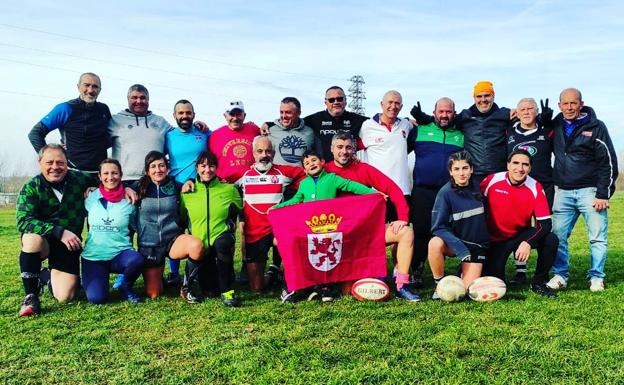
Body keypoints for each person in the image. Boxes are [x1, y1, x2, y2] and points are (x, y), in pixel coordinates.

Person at [324, 131, 421, 301]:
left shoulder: (363, 168)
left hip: (367, 232)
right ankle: (325, 284)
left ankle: (401, 285)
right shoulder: (324, 172)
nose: (344, 151)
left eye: (349, 147)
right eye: (339, 147)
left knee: (406, 232)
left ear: (354, 150)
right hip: (340, 237)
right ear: (332, 149)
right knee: (347, 291)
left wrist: (403, 218)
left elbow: (393, 189)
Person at [273, 149, 378, 303]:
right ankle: (309, 285)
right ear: (305, 169)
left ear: (322, 162)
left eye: (314, 160)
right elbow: (296, 200)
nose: (311, 164)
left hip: (330, 226)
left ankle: (326, 287)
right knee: (309, 254)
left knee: (328, 255)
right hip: (310, 227)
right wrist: (277, 208)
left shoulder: (332, 178)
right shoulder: (304, 184)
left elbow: (352, 186)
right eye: (307, 163)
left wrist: (373, 194)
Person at [547, 88, 618, 292]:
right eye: (565, 103)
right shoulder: (556, 124)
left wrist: (603, 193)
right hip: (563, 191)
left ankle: (596, 277)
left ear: (581, 104)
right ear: (559, 105)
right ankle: (560, 275)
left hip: (590, 191)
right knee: (557, 236)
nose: (569, 107)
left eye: (573, 103)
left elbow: (608, 162)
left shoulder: (596, 126)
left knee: (597, 237)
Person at [16, 144, 98, 316]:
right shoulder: (32, 186)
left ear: (67, 163)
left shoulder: (80, 179)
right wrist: (59, 231)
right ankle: (31, 295)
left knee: (66, 296)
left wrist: (104, 187)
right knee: (31, 239)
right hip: (44, 242)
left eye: (60, 162)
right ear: (40, 163)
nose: (55, 167)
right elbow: (24, 222)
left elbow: (108, 180)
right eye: (49, 162)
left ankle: (45, 277)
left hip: (68, 246)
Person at [481, 149, 558, 298]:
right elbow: (477, 210)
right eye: (515, 163)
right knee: (497, 284)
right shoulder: (491, 181)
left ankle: (539, 283)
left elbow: (545, 224)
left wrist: (528, 242)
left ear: (530, 168)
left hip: (518, 235)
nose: (520, 168)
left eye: (525, 164)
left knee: (551, 239)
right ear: (508, 164)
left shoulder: (535, 187)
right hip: (495, 240)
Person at [234, 136, 305, 292]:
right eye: (260, 151)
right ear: (253, 153)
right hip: (254, 231)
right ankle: (272, 275)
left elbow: (308, 176)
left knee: (289, 244)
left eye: (268, 151)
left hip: (277, 227)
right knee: (256, 289)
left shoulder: (284, 171)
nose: (264, 155)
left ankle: (291, 281)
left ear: (273, 153)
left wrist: (299, 195)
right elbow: (220, 182)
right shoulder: (243, 174)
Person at [133, 151, 205, 302]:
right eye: (153, 166)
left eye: (161, 165)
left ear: (167, 168)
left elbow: (198, 186)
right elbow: (114, 190)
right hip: (149, 245)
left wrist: (191, 180)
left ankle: (186, 287)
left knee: (196, 245)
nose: (158, 170)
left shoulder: (175, 185)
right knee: (154, 294)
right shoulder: (138, 187)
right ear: (147, 170)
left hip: (172, 240)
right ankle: (161, 280)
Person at [407, 97, 463, 287]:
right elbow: (396, 148)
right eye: (441, 111)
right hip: (423, 190)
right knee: (421, 231)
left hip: (451, 192)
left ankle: (459, 267)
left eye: (448, 111)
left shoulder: (461, 133)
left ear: (454, 113)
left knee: (449, 231)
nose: (445, 115)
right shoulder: (419, 130)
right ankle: (417, 270)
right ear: (434, 112)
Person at [411, 81, 510, 185]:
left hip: (498, 174)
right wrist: (422, 117)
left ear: (493, 96)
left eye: (487, 95)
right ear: (474, 98)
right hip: (473, 175)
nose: (483, 99)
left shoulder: (504, 115)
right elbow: (444, 120)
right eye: (479, 96)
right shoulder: (465, 116)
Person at [179, 151, 243, 307]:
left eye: (212, 165)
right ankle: (199, 282)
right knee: (209, 291)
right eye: (203, 166)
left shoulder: (229, 190)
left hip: (220, 237)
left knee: (223, 244)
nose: (207, 170)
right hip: (200, 245)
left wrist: (233, 226)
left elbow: (241, 211)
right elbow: (182, 219)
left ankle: (227, 291)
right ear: (196, 168)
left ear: (217, 167)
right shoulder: (187, 193)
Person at [81, 159, 144, 304]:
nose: (110, 177)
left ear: (121, 175)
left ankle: (125, 285)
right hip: (94, 257)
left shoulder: (130, 200)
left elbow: (138, 226)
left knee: (137, 259)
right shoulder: (90, 197)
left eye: (115, 173)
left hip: (119, 254)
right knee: (97, 298)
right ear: (100, 176)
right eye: (106, 173)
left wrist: (127, 188)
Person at [428, 151, 489, 299]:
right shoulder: (445, 193)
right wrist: (459, 247)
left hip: (476, 246)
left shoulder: (479, 187)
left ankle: (461, 272)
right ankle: (439, 284)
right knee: (434, 243)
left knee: (464, 293)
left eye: (465, 168)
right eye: (456, 169)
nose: (461, 173)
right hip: (455, 244)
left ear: (471, 169)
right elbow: (438, 227)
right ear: (450, 171)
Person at [506, 97, 554, 285]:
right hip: (520, 187)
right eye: (522, 109)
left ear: (536, 112)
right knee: (521, 227)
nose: (526, 112)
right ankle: (520, 271)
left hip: (544, 187)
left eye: (530, 109)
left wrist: (548, 119)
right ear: (516, 112)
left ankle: (543, 272)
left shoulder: (547, 131)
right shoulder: (509, 131)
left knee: (545, 230)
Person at [164, 99, 210, 284]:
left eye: (188, 113)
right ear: (174, 115)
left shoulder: (204, 134)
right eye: (181, 113)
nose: (185, 116)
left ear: (194, 115)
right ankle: (173, 273)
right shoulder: (168, 136)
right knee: (174, 229)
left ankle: (196, 272)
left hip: (198, 189)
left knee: (196, 230)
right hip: (175, 188)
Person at [28, 72, 111, 173]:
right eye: (86, 85)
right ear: (78, 87)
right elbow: (35, 133)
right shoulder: (65, 108)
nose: (90, 90)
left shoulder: (104, 109)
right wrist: (49, 156)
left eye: (95, 86)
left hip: (101, 174)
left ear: (99, 90)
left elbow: (109, 138)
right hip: (73, 173)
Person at [263, 86, 368, 161]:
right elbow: (293, 121)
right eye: (331, 100)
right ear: (325, 102)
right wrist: (269, 124)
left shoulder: (357, 119)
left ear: (345, 101)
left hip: (349, 168)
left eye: (339, 99)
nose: (336, 102)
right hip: (325, 172)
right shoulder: (315, 119)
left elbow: (376, 121)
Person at [358, 90, 412, 221]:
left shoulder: (405, 125)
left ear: (401, 107)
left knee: (400, 233)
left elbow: (417, 124)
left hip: (402, 191)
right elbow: (355, 152)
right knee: (378, 235)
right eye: (390, 102)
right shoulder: (367, 126)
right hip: (378, 193)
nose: (393, 106)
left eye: (397, 103)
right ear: (382, 104)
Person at [209, 100, 260, 183]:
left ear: (244, 115)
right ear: (225, 116)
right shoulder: (214, 135)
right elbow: (209, 161)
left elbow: (269, 132)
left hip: (252, 183)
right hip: (226, 185)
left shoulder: (254, 130)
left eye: (239, 114)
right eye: (231, 114)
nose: (235, 118)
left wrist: (267, 124)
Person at [268, 97, 316, 167]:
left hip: (302, 176)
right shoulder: (270, 131)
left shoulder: (310, 132)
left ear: (298, 113)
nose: (284, 116)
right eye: (281, 112)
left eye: (288, 112)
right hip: (279, 177)